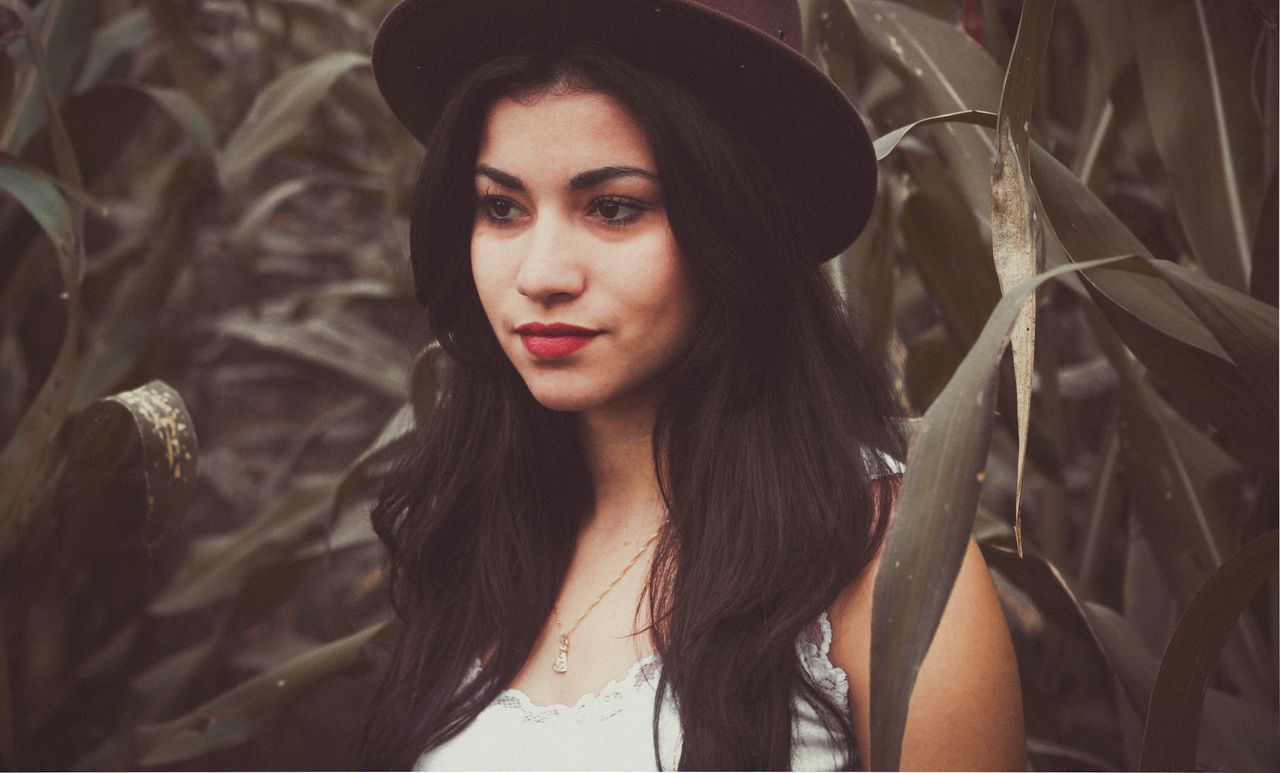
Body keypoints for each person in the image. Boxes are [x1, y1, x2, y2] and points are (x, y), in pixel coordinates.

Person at [361, 0, 1024, 769]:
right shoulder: (475, 524)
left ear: (730, 219)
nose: (540, 275)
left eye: (613, 208)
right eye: (501, 207)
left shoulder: (885, 561)